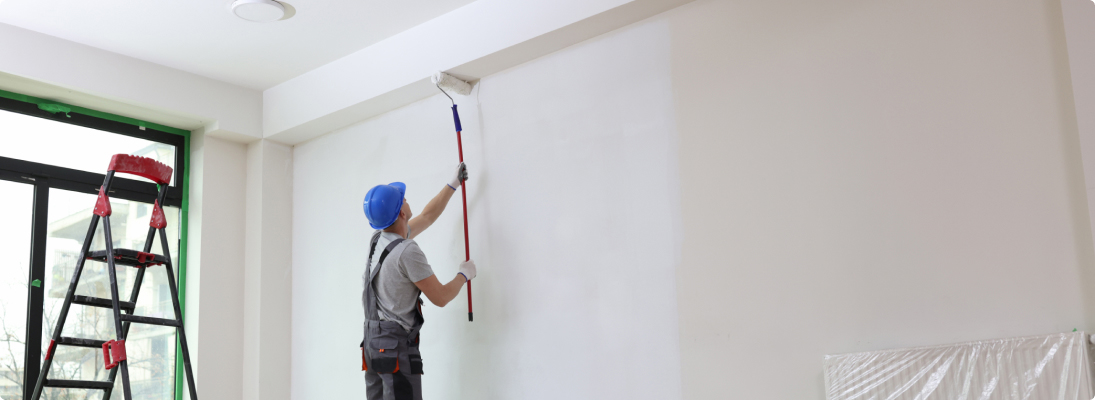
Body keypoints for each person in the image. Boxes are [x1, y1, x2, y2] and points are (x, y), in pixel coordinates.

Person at [361, 163, 476, 400]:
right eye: (403, 199)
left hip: (373, 345)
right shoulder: (406, 251)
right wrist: (464, 275)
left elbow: (428, 216)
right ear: (402, 213)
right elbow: (441, 297)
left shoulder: (378, 239)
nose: (406, 199)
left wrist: (453, 183)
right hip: (395, 350)